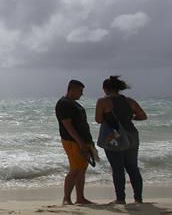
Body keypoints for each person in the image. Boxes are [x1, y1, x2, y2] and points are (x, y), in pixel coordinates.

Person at [95, 75, 147, 205]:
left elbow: (98, 120)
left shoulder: (103, 101)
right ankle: (138, 199)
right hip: (132, 135)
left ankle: (120, 199)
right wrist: (129, 118)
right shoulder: (130, 101)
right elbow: (143, 116)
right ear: (118, 88)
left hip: (115, 136)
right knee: (133, 168)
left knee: (118, 169)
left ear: (105, 89)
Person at [56, 79, 97, 206]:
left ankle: (80, 197)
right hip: (72, 141)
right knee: (75, 169)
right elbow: (68, 125)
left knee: (81, 170)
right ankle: (66, 198)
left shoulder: (73, 103)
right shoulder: (64, 103)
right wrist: (80, 142)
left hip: (83, 140)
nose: (82, 94)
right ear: (72, 89)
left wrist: (88, 142)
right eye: (80, 91)